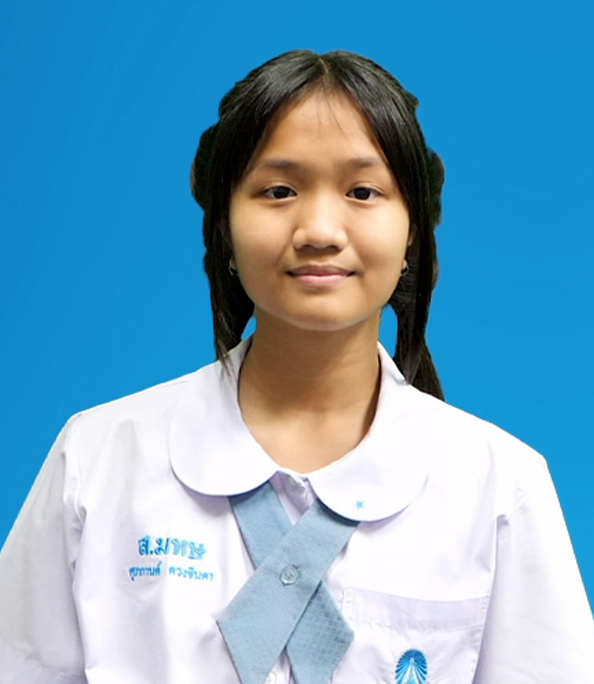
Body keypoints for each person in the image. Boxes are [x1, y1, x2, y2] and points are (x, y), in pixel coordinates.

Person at [0, 49, 592, 684]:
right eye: (278, 191)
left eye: (363, 192)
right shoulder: (97, 460)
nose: (319, 230)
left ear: (412, 231)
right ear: (223, 227)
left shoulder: (500, 487)